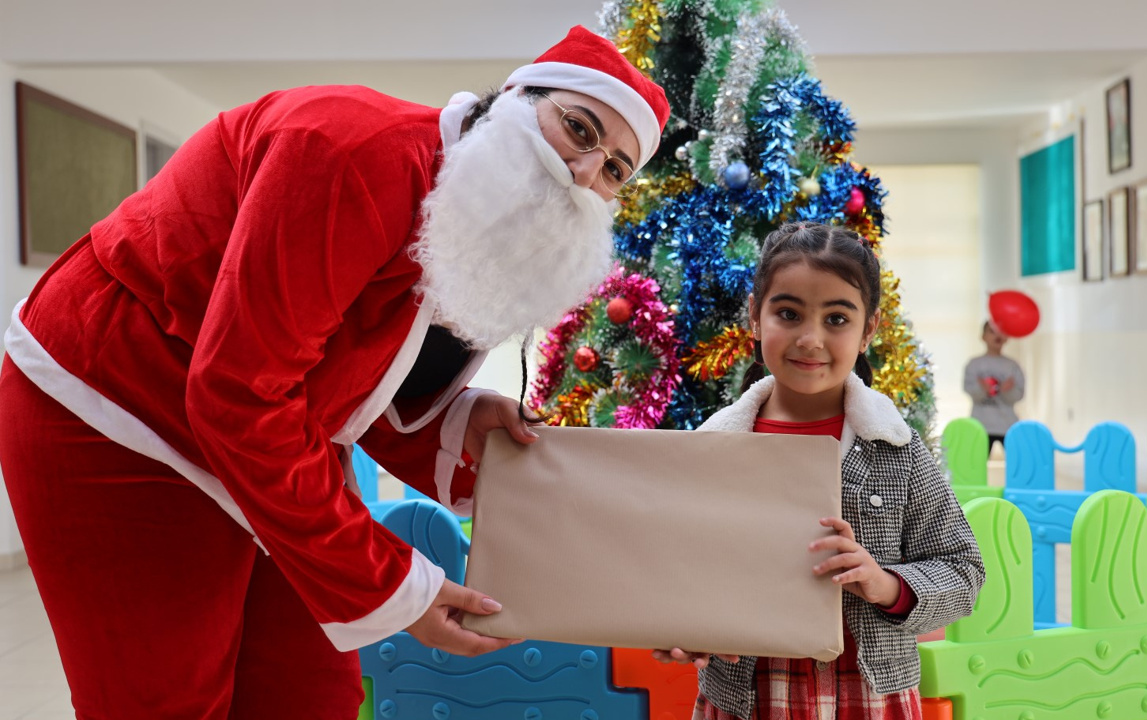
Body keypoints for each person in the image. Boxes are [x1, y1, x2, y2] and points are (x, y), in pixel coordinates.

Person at [0, 26, 669, 718]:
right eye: (580, 129)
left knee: (310, 695)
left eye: (615, 169)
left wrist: (456, 416)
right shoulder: (349, 152)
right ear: (516, 99)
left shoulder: (460, 210)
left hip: (266, 436)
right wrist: (397, 588)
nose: (585, 172)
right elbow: (238, 390)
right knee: (167, 697)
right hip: (110, 405)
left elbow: (351, 358)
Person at [656, 223, 984, 720]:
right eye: (788, 314)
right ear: (754, 316)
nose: (810, 339)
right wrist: (682, 626)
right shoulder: (715, 449)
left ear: (869, 330)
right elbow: (677, 569)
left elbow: (964, 571)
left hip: (869, 698)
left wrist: (885, 583)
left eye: (836, 318)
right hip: (747, 698)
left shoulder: (895, 449)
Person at [962, 321, 1025, 455]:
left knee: (1017, 462)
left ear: (1007, 337)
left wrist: (1007, 390)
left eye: (1001, 331)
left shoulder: (1012, 365)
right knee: (976, 464)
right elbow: (968, 389)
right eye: (992, 331)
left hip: (1007, 424)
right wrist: (982, 388)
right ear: (983, 336)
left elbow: (1019, 394)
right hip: (981, 423)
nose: (997, 336)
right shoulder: (974, 364)